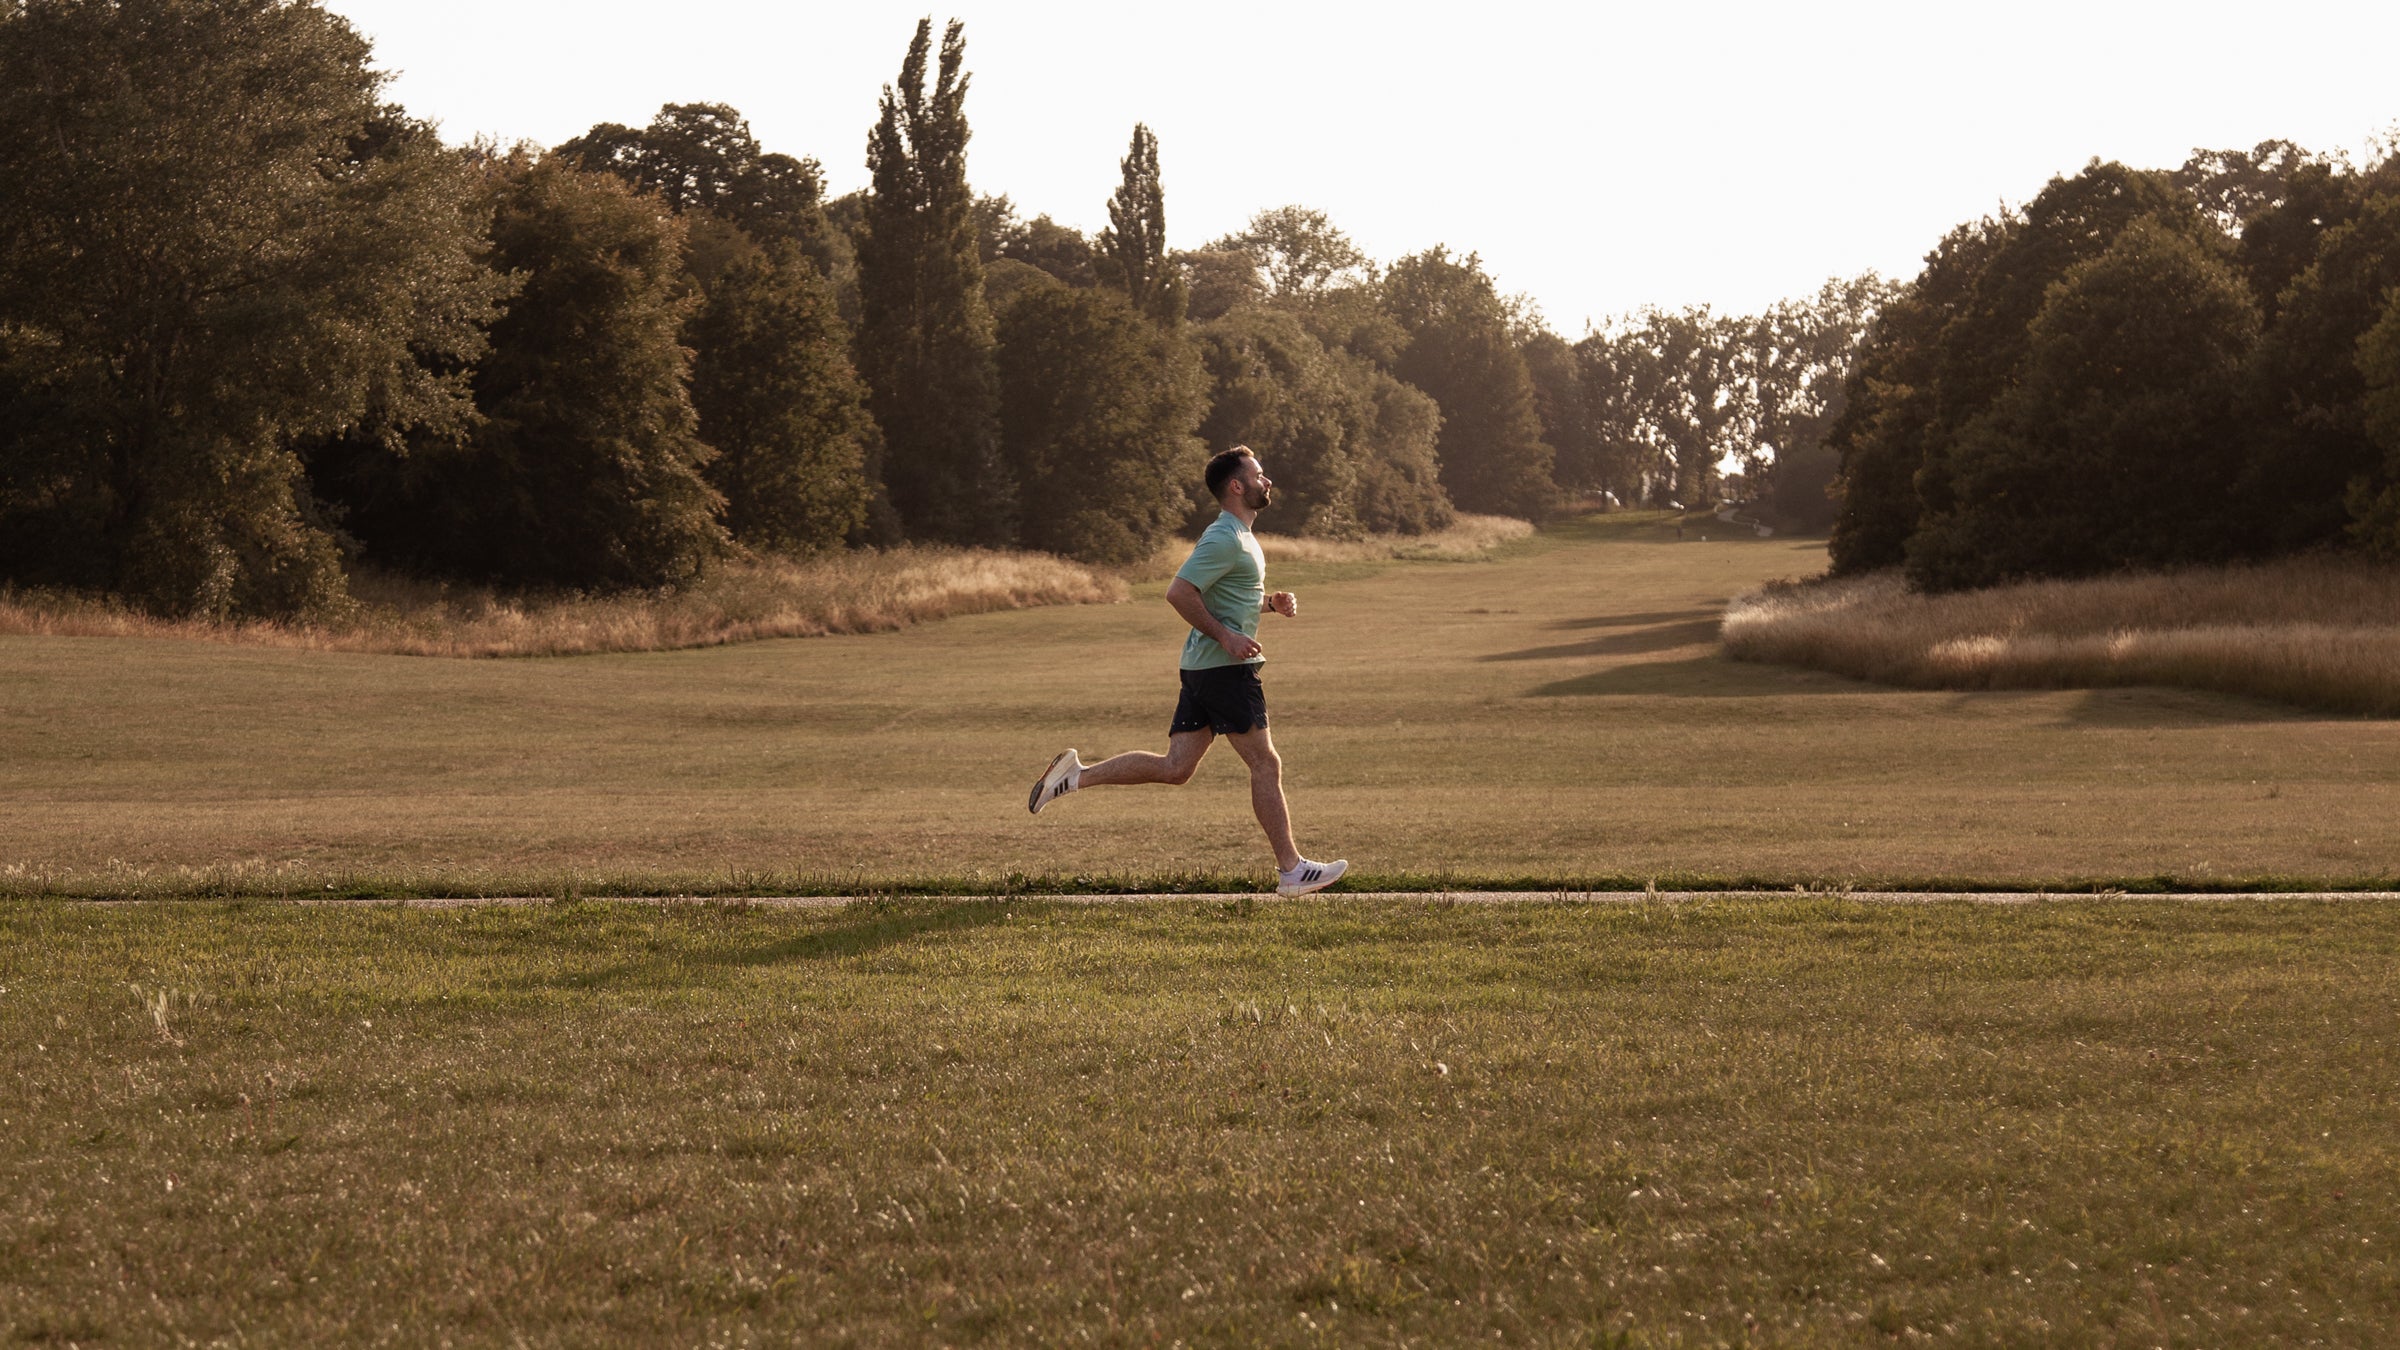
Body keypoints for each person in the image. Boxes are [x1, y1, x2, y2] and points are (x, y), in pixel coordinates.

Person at [1026, 446, 1347, 897]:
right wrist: (1227, 637)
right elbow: (1179, 592)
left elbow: (1227, 597)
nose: (1267, 480)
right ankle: (1292, 870)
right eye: (1258, 474)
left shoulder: (1240, 536)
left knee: (1177, 768)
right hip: (1224, 669)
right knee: (1265, 762)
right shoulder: (1225, 538)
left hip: (1204, 668)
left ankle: (1073, 776)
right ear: (1237, 486)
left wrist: (1268, 605)